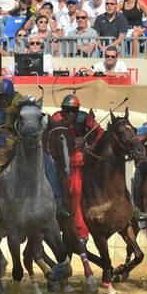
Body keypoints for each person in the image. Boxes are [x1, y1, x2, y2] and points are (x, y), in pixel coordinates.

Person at [0, 79, 69, 228]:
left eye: (6, 96)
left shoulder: (21, 101)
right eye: (0, 96)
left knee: (47, 161)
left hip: (21, 147)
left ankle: (57, 202)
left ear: (12, 94)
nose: (2, 99)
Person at [49, 94, 104, 245]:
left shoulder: (84, 117)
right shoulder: (56, 118)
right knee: (75, 193)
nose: (71, 114)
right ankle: (80, 230)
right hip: (61, 164)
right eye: (68, 110)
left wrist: (87, 142)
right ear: (63, 109)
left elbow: (100, 132)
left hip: (82, 160)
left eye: (74, 111)